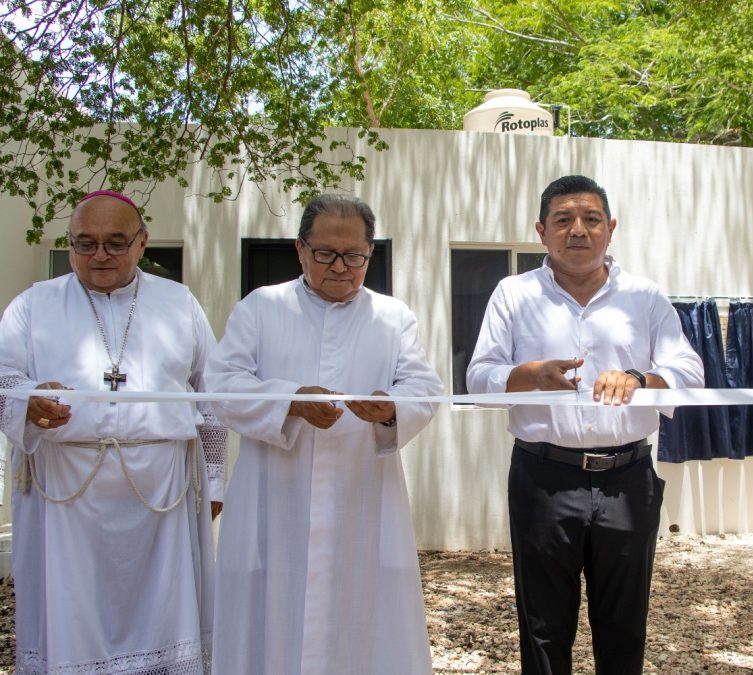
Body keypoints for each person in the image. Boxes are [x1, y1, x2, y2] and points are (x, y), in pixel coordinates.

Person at [466, 175, 704, 675]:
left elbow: (690, 372)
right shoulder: (513, 294)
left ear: (611, 228)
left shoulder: (644, 296)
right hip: (543, 478)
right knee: (543, 625)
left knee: (624, 622)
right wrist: (528, 376)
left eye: (591, 219)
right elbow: (478, 378)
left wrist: (642, 378)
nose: (579, 230)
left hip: (627, 478)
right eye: (564, 220)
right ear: (541, 231)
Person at [206, 193, 443, 674]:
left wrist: (390, 410)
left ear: (369, 254)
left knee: (364, 621)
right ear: (300, 249)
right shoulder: (261, 307)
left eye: (354, 255)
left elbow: (424, 386)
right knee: (271, 617)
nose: (340, 267)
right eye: (325, 254)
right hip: (275, 498)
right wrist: (290, 400)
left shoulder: (393, 317)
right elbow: (221, 384)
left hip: (362, 499)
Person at [0, 190, 225, 674]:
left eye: (115, 243)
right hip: (65, 496)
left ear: (142, 243)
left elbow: (213, 397)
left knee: (163, 618)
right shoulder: (32, 305)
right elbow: (4, 380)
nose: (99, 254)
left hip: (158, 496)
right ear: (71, 243)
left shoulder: (178, 302)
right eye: (85, 243)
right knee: (71, 616)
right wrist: (30, 401)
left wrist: (215, 481)